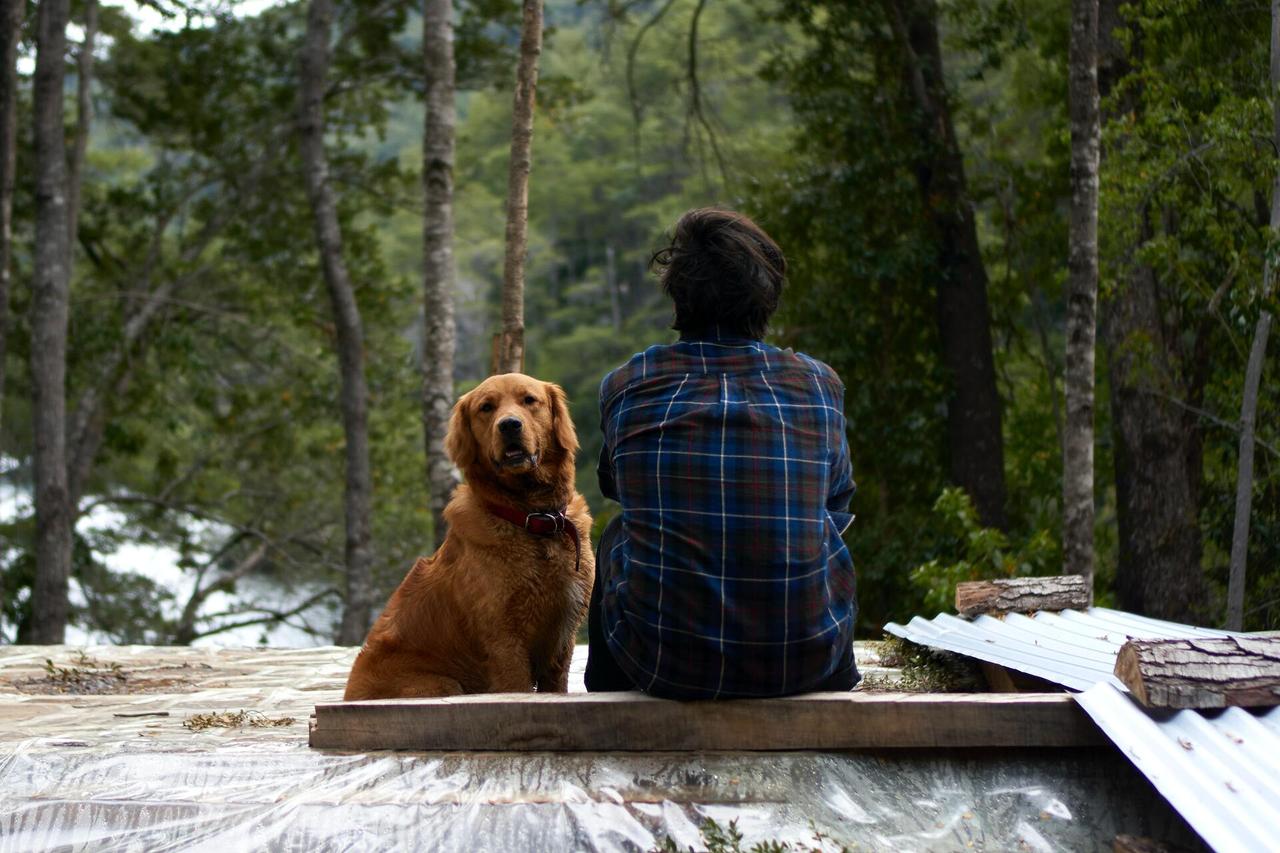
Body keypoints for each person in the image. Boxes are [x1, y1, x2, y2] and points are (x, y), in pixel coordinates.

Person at [585, 207, 858, 699]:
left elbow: (615, 487)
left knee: (619, 532)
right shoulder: (818, 384)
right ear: (766, 294)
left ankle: (606, 687)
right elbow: (837, 500)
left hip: (664, 668)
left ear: (677, 293)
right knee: (822, 523)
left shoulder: (628, 384)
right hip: (806, 663)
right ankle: (832, 668)